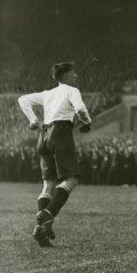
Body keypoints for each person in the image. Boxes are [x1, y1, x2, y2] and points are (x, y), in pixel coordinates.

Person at [17, 61, 92, 247]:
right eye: (74, 74)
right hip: (60, 133)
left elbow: (22, 100)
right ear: (66, 76)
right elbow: (81, 109)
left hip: (44, 136)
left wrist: (33, 119)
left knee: (48, 185)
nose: (76, 77)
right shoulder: (71, 90)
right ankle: (48, 214)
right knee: (71, 179)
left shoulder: (47, 94)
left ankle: (41, 230)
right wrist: (87, 122)